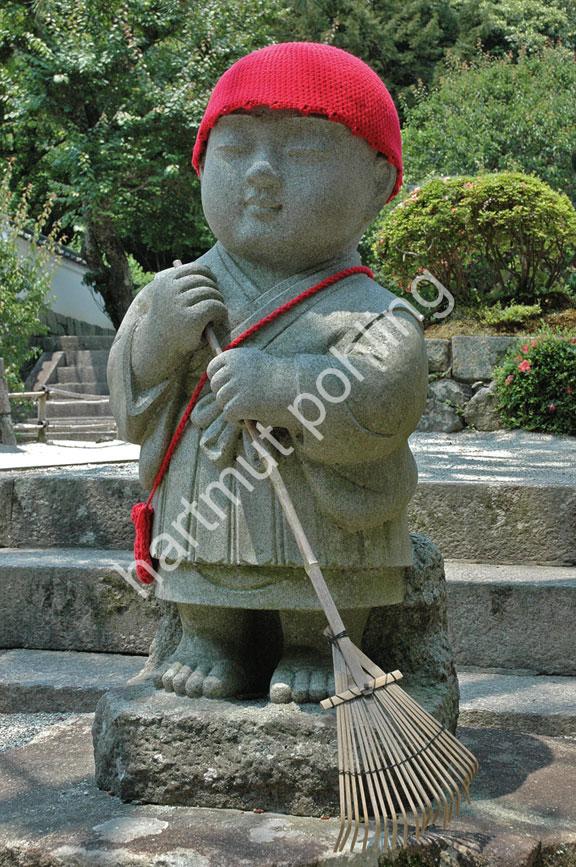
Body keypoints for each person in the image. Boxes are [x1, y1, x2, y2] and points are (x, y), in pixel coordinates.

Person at [108, 42, 428, 704]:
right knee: (204, 572)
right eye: (235, 147)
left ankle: (318, 640)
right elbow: (129, 403)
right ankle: (208, 635)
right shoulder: (181, 292)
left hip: (325, 515)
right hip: (208, 504)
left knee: (330, 562)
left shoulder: (368, 309)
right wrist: (157, 338)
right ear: (201, 167)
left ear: (376, 181)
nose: (261, 171)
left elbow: (387, 392)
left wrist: (283, 387)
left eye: (304, 147)